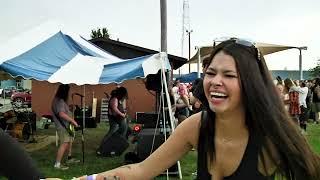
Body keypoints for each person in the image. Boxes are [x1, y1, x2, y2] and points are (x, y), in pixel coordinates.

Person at [79, 38, 320, 180]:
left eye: (229, 75)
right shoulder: (196, 126)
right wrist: (86, 179)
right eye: (211, 73)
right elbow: (141, 170)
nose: (215, 81)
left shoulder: (270, 138)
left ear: (250, 84)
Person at [51, 84, 80, 170]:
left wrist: (69, 108)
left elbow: (63, 111)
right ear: (65, 92)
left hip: (66, 126)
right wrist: (73, 121)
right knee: (64, 143)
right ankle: (57, 164)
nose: (69, 93)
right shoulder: (59, 101)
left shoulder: (59, 100)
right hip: (63, 126)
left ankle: (69, 158)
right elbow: (61, 113)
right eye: (68, 91)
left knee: (69, 141)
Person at [96, 86, 128, 155]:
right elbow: (114, 109)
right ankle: (101, 147)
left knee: (122, 131)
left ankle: (116, 147)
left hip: (119, 118)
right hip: (115, 119)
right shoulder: (115, 99)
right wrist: (122, 114)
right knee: (112, 132)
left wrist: (123, 112)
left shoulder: (117, 98)